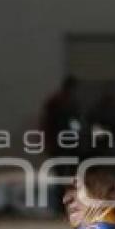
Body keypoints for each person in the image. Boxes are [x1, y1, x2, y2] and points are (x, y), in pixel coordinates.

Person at [39, 75, 83, 212]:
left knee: (67, 176)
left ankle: (66, 205)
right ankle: (61, 206)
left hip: (67, 145)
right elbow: (48, 123)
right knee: (62, 176)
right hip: (60, 145)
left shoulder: (68, 102)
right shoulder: (58, 102)